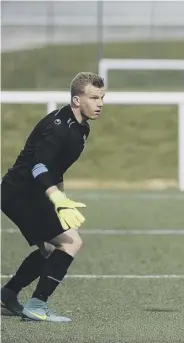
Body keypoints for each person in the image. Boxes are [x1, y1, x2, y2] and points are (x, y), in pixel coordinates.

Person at [1, 72, 105, 322]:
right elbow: (39, 166)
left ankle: (7, 294)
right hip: (19, 193)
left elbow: (56, 168)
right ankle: (37, 305)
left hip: (30, 193)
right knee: (71, 242)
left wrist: (61, 200)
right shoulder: (59, 126)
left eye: (102, 97)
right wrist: (56, 198)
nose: (100, 103)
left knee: (50, 249)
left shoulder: (82, 129)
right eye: (93, 97)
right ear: (76, 100)